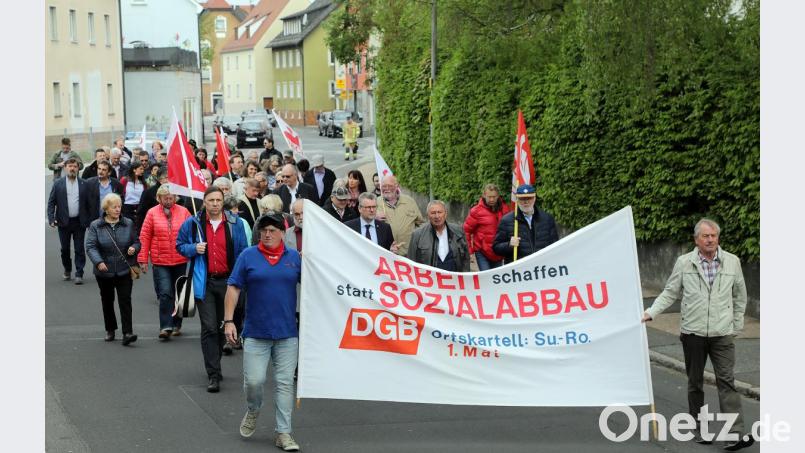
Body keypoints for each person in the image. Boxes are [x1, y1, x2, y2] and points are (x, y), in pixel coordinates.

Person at [642, 219, 754, 450]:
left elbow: (740, 297)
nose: (711, 239)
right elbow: (670, 292)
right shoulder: (684, 263)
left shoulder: (732, 262)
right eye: (706, 236)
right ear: (696, 240)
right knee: (695, 383)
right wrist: (650, 312)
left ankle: (733, 434)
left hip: (723, 333)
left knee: (727, 382)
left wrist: (736, 325)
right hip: (693, 333)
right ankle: (698, 428)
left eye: (714, 235)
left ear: (718, 238)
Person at [223, 213, 302, 451]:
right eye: (264, 230)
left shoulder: (295, 258)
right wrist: (228, 321)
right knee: (255, 382)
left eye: (273, 230)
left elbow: (313, 287)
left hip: (287, 333)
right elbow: (234, 288)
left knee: (285, 383)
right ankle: (253, 409)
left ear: (282, 233)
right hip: (256, 332)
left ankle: (284, 433)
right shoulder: (248, 256)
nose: (267, 234)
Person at [176, 186, 249, 393]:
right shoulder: (193, 223)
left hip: (229, 282)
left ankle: (215, 362)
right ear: (204, 202)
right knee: (208, 327)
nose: (215, 204)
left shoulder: (235, 223)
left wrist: (242, 279)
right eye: (211, 200)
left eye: (218, 200)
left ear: (223, 201)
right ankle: (213, 374)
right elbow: (179, 245)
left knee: (221, 326)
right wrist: (193, 248)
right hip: (204, 282)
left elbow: (243, 252)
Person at [85, 193, 141, 345]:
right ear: (106, 209)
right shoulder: (96, 225)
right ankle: (110, 329)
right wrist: (98, 262)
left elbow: (137, 241)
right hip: (104, 271)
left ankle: (127, 332)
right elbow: (91, 246)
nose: (118, 210)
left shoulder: (128, 223)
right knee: (107, 301)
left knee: (125, 300)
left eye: (119, 207)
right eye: (114, 207)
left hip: (124, 268)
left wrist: (133, 248)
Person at [138, 185, 192, 340]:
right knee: (165, 292)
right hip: (160, 260)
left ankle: (177, 323)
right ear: (159, 198)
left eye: (172, 197)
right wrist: (142, 259)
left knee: (178, 293)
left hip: (180, 259)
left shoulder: (184, 212)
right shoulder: (152, 213)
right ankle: (165, 326)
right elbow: (145, 236)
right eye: (166, 198)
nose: (169, 200)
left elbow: (192, 233)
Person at [48, 158, 91, 284]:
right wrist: (51, 218)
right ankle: (67, 269)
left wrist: (89, 220)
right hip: (63, 222)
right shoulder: (58, 183)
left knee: (79, 248)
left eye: (75, 166)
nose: (72, 168)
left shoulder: (84, 184)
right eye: (70, 166)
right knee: (65, 249)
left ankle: (79, 273)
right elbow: (51, 202)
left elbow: (89, 203)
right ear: (65, 168)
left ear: (78, 168)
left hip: (79, 222)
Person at [492, 184, 558, 264]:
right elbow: (496, 248)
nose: (526, 202)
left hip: (542, 268)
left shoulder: (547, 219)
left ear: (534, 198)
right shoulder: (507, 220)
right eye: (522, 199)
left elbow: (556, 245)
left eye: (529, 198)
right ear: (517, 200)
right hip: (519, 271)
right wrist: (509, 245)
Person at [408, 200, 471, 272]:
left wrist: (466, 278)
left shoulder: (458, 232)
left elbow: (465, 259)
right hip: (429, 280)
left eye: (439, 212)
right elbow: (411, 262)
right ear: (428, 215)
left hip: (454, 280)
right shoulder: (417, 235)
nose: (437, 216)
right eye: (433, 213)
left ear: (445, 214)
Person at [463, 183, 510, 270]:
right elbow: (466, 230)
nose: (491, 199)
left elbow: (509, 228)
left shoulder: (505, 209)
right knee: (485, 277)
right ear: (484, 195)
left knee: (496, 279)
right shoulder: (476, 211)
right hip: (482, 251)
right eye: (489, 196)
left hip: (498, 251)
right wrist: (470, 251)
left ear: (498, 196)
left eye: (494, 196)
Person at [376, 174, 424, 256]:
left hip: (409, 253)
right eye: (384, 186)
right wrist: (374, 218)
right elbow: (366, 223)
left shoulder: (409, 201)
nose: (386, 189)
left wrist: (417, 241)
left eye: (389, 186)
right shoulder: (376, 202)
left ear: (396, 186)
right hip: (386, 253)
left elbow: (421, 223)